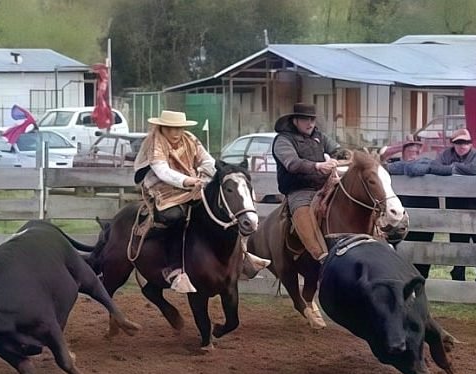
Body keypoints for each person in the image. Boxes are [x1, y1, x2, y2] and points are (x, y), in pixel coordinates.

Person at [133, 110, 268, 293]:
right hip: (160, 186)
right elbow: (162, 171)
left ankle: (242, 255)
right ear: (162, 127)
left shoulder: (189, 139)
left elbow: (206, 161)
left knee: (225, 210)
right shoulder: (154, 142)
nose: (175, 133)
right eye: (171, 129)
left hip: (190, 183)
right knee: (175, 216)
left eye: (178, 128)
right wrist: (186, 181)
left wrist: (222, 174)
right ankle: (174, 268)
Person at [272, 102, 342, 262]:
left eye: (312, 119)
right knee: (302, 212)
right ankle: (321, 256)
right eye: (305, 119)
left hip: (325, 185)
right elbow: (292, 163)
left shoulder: (320, 137)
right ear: (295, 120)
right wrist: (318, 166)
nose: (310, 123)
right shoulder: (283, 140)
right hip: (299, 190)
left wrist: (341, 157)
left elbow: (338, 150)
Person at [428, 128, 476, 282]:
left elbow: (475, 169)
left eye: (465, 142)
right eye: (458, 143)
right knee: (457, 242)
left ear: (471, 144)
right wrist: (454, 169)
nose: (462, 146)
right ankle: (458, 275)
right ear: (453, 144)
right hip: (455, 205)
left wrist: (452, 168)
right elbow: (434, 167)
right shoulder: (445, 154)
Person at [385, 136, 451, 278]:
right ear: (403, 150)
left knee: (424, 246)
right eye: (409, 148)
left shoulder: (428, 161)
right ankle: (402, 277)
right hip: (403, 214)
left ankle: (421, 278)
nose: (413, 151)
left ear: (421, 150)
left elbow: (446, 171)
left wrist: (423, 167)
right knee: (401, 246)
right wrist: (410, 166)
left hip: (426, 213)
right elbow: (386, 166)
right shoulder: (396, 164)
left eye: (416, 148)